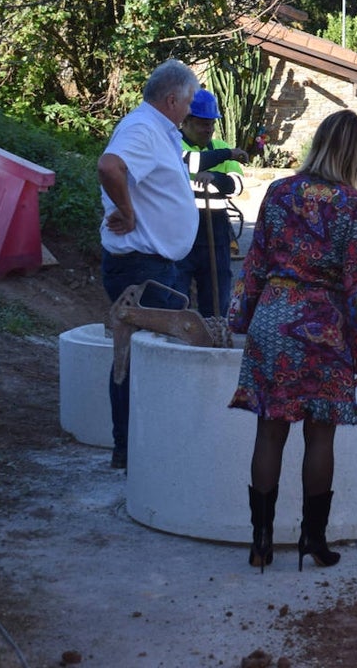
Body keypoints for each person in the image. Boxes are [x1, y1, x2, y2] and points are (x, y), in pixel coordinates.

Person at [227, 109, 357, 573]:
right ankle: (313, 540)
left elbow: (254, 263)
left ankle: (260, 543)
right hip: (323, 329)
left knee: (269, 432)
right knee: (320, 437)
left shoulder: (278, 192)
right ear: (356, 154)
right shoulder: (353, 206)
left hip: (273, 321)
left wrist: (243, 318)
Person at [97, 59, 200, 470]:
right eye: (189, 101)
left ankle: (139, 447)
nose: (191, 110)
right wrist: (128, 210)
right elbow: (109, 166)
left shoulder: (158, 130)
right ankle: (133, 449)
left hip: (155, 266)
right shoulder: (141, 128)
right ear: (172, 99)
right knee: (142, 355)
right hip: (141, 268)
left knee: (145, 354)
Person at [175, 88, 248, 318]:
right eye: (202, 123)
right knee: (176, 297)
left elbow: (237, 186)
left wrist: (215, 178)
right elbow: (188, 168)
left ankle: (212, 340)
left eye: (212, 124)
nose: (209, 129)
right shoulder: (174, 144)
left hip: (216, 235)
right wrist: (227, 156)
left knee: (217, 301)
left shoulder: (218, 146)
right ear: (186, 121)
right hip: (182, 235)